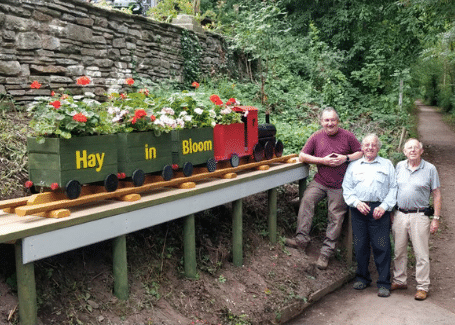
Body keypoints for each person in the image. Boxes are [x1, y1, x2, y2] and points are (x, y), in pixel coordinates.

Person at [285, 107, 363, 270]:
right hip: (320, 181)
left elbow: (360, 152)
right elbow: (302, 156)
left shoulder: (347, 136)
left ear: (338, 121)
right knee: (306, 200)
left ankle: (326, 253)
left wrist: (345, 158)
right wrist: (322, 161)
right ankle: (301, 240)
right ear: (321, 122)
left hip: (341, 185)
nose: (330, 123)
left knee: (335, 216)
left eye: (333, 120)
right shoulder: (316, 137)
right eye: (326, 120)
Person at [342, 134, 397, 297]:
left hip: (380, 210)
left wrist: (385, 206)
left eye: (373, 145)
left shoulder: (387, 165)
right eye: (367, 145)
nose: (370, 147)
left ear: (378, 147)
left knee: (382, 246)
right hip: (359, 209)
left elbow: (393, 188)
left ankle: (384, 283)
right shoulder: (353, 165)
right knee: (360, 245)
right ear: (362, 147)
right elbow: (347, 188)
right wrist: (356, 203)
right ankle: (362, 278)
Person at [391, 138, 441, 301]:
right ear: (404, 152)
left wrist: (436, 218)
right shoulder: (399, 166)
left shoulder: (430, 169)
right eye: (409, 148)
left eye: (415, 148)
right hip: (400, 214)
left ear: (421, 151)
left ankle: (422, 287)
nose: (412, 150)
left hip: (420, 215)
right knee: (399, 251)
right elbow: (393, 189)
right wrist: (392, 212)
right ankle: (400, 280)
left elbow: (437, 194)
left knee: (421, 253)